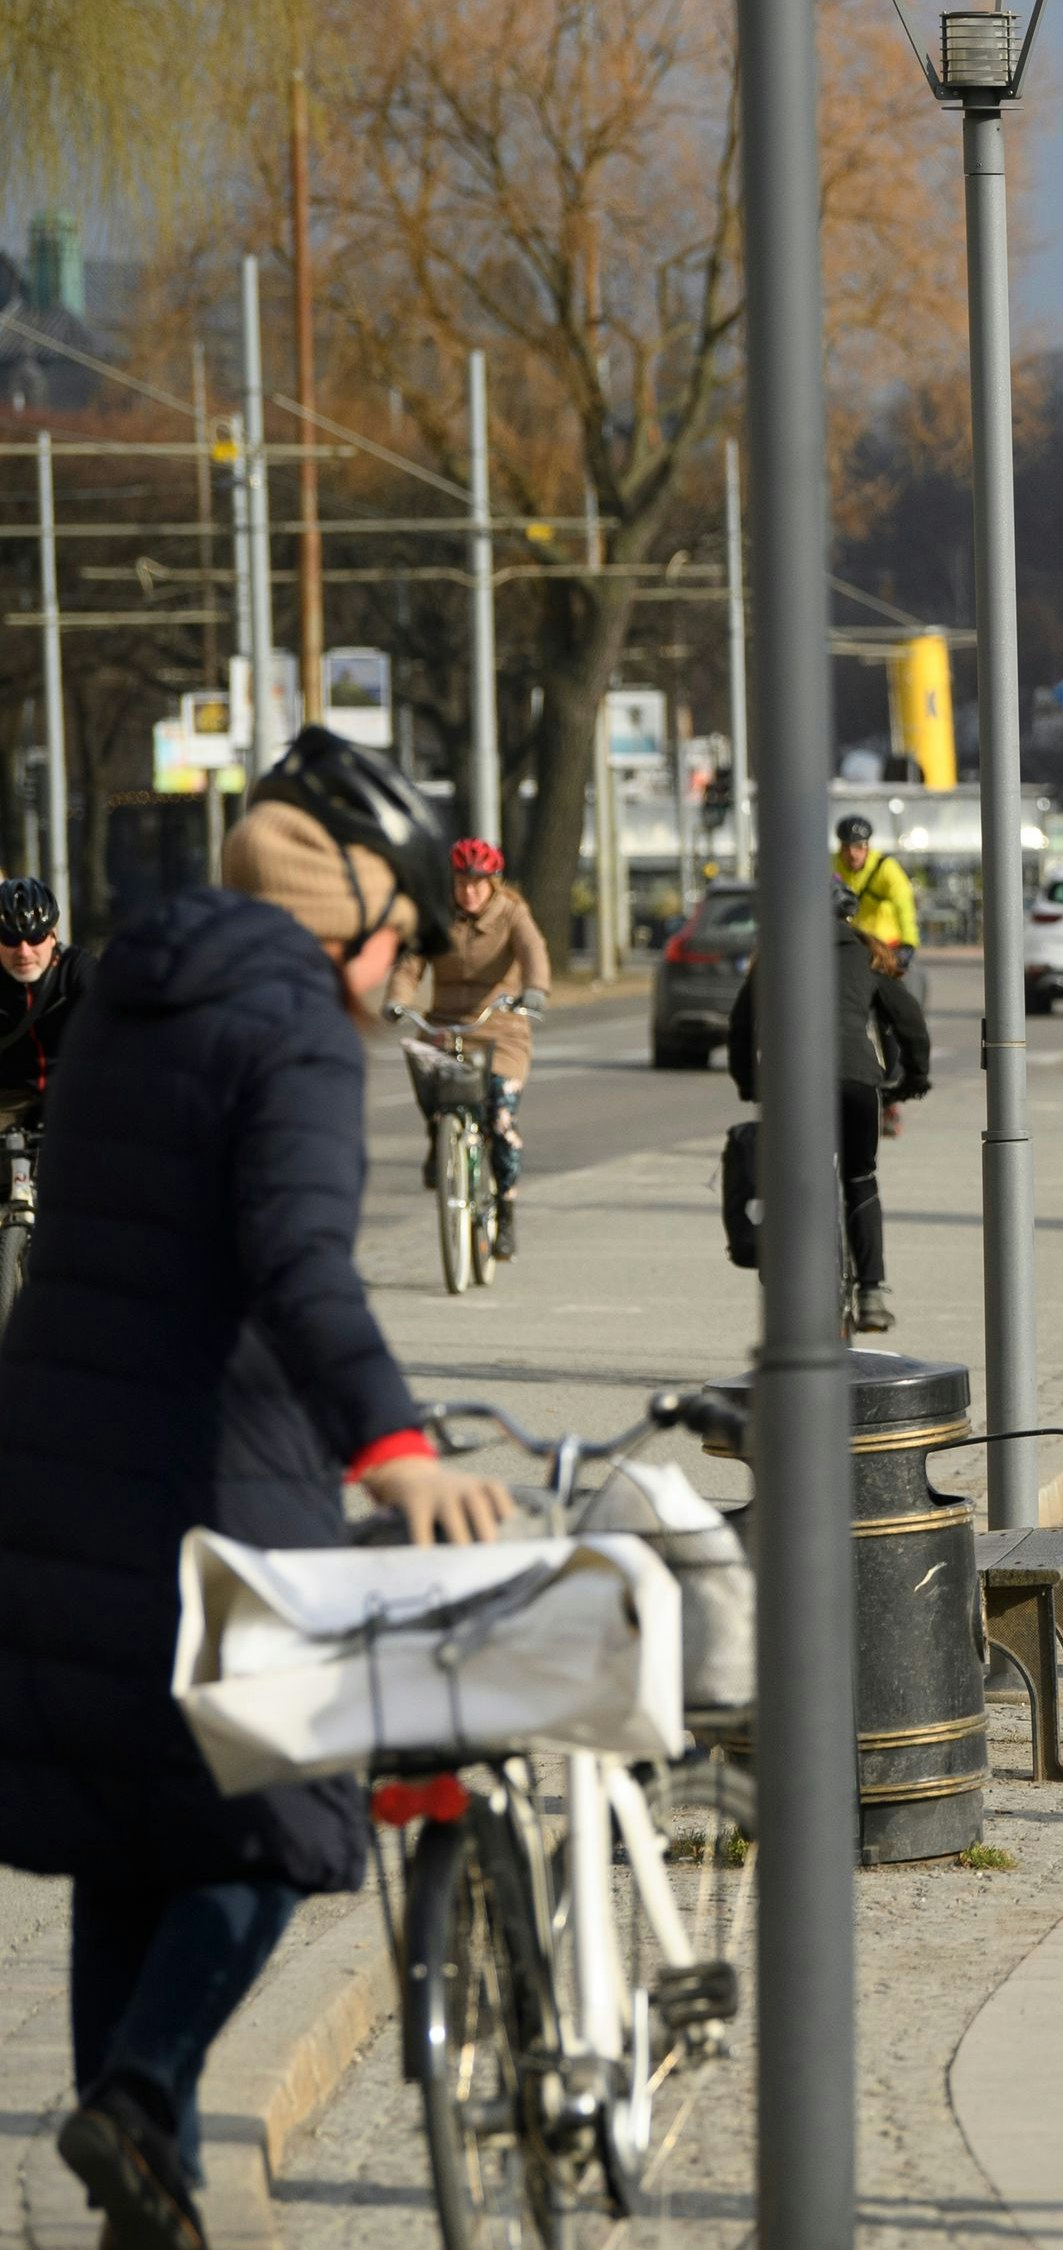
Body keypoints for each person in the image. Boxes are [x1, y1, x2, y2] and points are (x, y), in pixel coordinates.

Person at [0, 731, 516, 2250]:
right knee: (292, 1806)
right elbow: (299, 1262)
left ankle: (132, 2193)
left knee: (129, 1827)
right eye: (402, 944)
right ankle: (143, 2093)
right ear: (352, 914)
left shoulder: (132, 994)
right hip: (209, 1465)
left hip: (47, 1461)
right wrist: (397, 1449)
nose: (400, 976)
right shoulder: (286, 1022)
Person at [730, 885, 934, 1335]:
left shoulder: (775, 955)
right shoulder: (868, 953)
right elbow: (909, 1021)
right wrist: (915, 1079)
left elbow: (742, 1025)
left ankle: (785, 1274)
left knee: (789, 1177)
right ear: (847, 917)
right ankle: (872, 1295)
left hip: (791, 1086)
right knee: (859, 1178)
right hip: (855, 1081)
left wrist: (750, 1084)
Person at [391, 838, 554, 1259]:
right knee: (424, 1071)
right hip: (447, 1027)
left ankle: (506, 1213)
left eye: (478, 884)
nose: (469, 892)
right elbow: (410, 964)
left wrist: (535, 991)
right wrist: (397, 999)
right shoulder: (436, 916)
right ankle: (438, 1137)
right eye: (462, 883)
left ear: (494, 883)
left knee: (500, 1117)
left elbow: (534, 950)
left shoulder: (512, 913)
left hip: (501, 1030)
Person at [0, 873, 90, 1118]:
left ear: (53, 936)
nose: (24, 952)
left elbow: (113, 1005)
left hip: (72, 1091)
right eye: (10, 939)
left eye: (35, 937)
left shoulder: (75, 968)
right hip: (7, 1096)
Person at [835, 811, 916, 959]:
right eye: (847, 847)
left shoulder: (885, 868)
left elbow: (904, 905)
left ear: (868, 846)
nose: (853, 854)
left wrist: (908, 943)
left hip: (885, 946)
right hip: (850, 945)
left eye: (859, 846)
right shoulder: (832, 866)